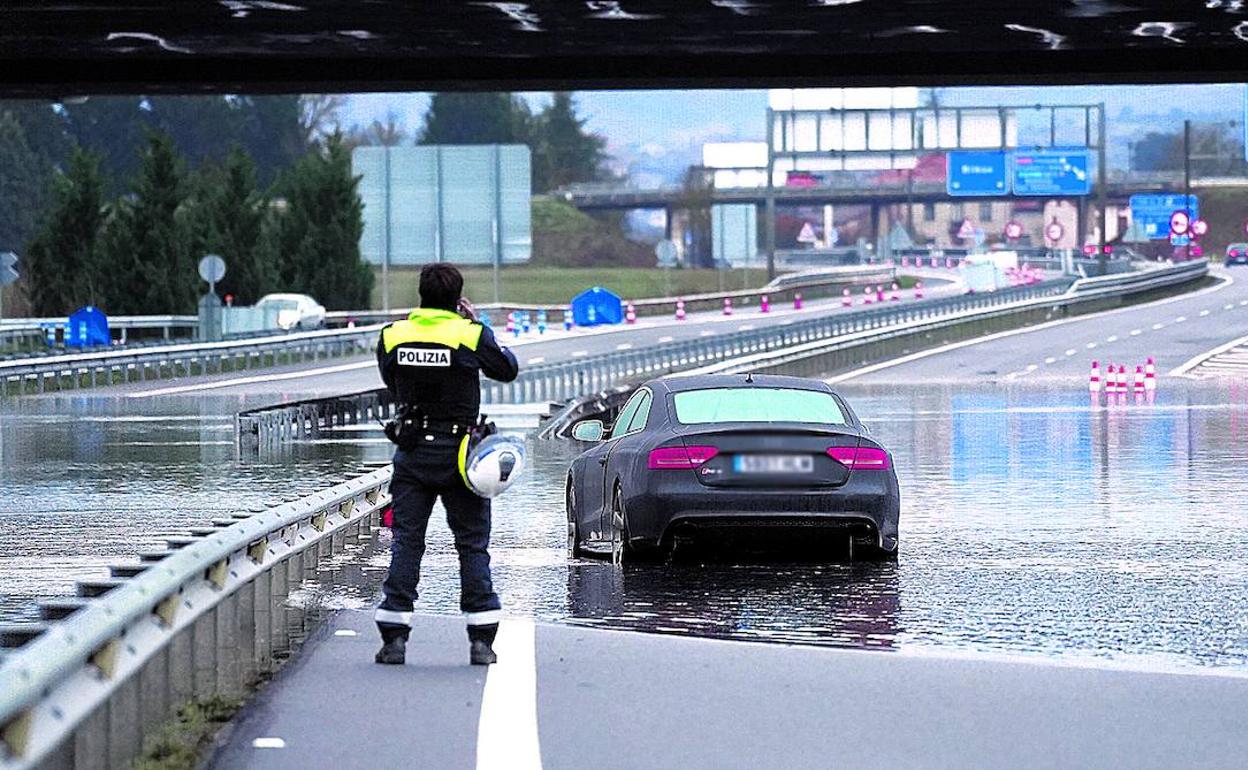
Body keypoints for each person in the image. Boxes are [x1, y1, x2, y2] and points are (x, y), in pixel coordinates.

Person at [373, 263, 519, 666]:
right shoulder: (470, 334)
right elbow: (507, 369)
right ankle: (481, 642)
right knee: (471, 545)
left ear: (421, 295)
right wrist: (477, 324)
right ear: (458, 299)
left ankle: (393, 640)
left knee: (407, 542)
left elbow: (391, 381)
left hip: (412, 451)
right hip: (462, 456)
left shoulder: (394, 334)